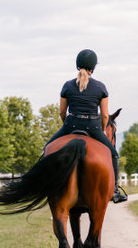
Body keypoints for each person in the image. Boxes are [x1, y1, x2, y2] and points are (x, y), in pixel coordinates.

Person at [46, 49, 127, 203]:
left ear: (77, 66)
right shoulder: (101, 87)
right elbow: (104, 115)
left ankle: (43, 184)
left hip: (71, 124)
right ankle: (115, 190)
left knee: (47, 148)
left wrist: (67, 126)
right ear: (93, 67)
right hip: (93, 127)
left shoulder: (67, 86)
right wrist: (102, 129)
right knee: (114, 155)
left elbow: (62, 111)